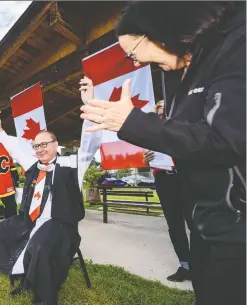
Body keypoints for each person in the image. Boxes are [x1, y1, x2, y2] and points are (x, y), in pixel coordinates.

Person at [80, 2, 245, 304]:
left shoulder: (237, 45)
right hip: (206, 223)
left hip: (237, 231)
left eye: (132, 53)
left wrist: (135, 123)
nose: (135, 62)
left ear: (157, 32)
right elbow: (184, 138)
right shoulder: (177, 73)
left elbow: (224, 140)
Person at [0, 109, 100, 305]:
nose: (40, 149)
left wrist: (89, 107)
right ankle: (25, 277)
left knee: (39, 247)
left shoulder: (71, 164)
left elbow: (90, 145)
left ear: (55, 144)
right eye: (36, 146)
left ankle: (44, 297)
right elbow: (15, 147)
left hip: (59, 223)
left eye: (44, 144)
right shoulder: (33, 164)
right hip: (30, 219)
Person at [143, 100, 190, 282]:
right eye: (160, 115)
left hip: (185, 177)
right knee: (175, 224)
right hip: (164, 180)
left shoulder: (185, 131)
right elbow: (151, 162)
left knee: (195, 222)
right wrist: (147, 161)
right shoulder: (153, 136)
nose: (163, 118)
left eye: (167, 114)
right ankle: (185, 265)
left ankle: (202, 263)